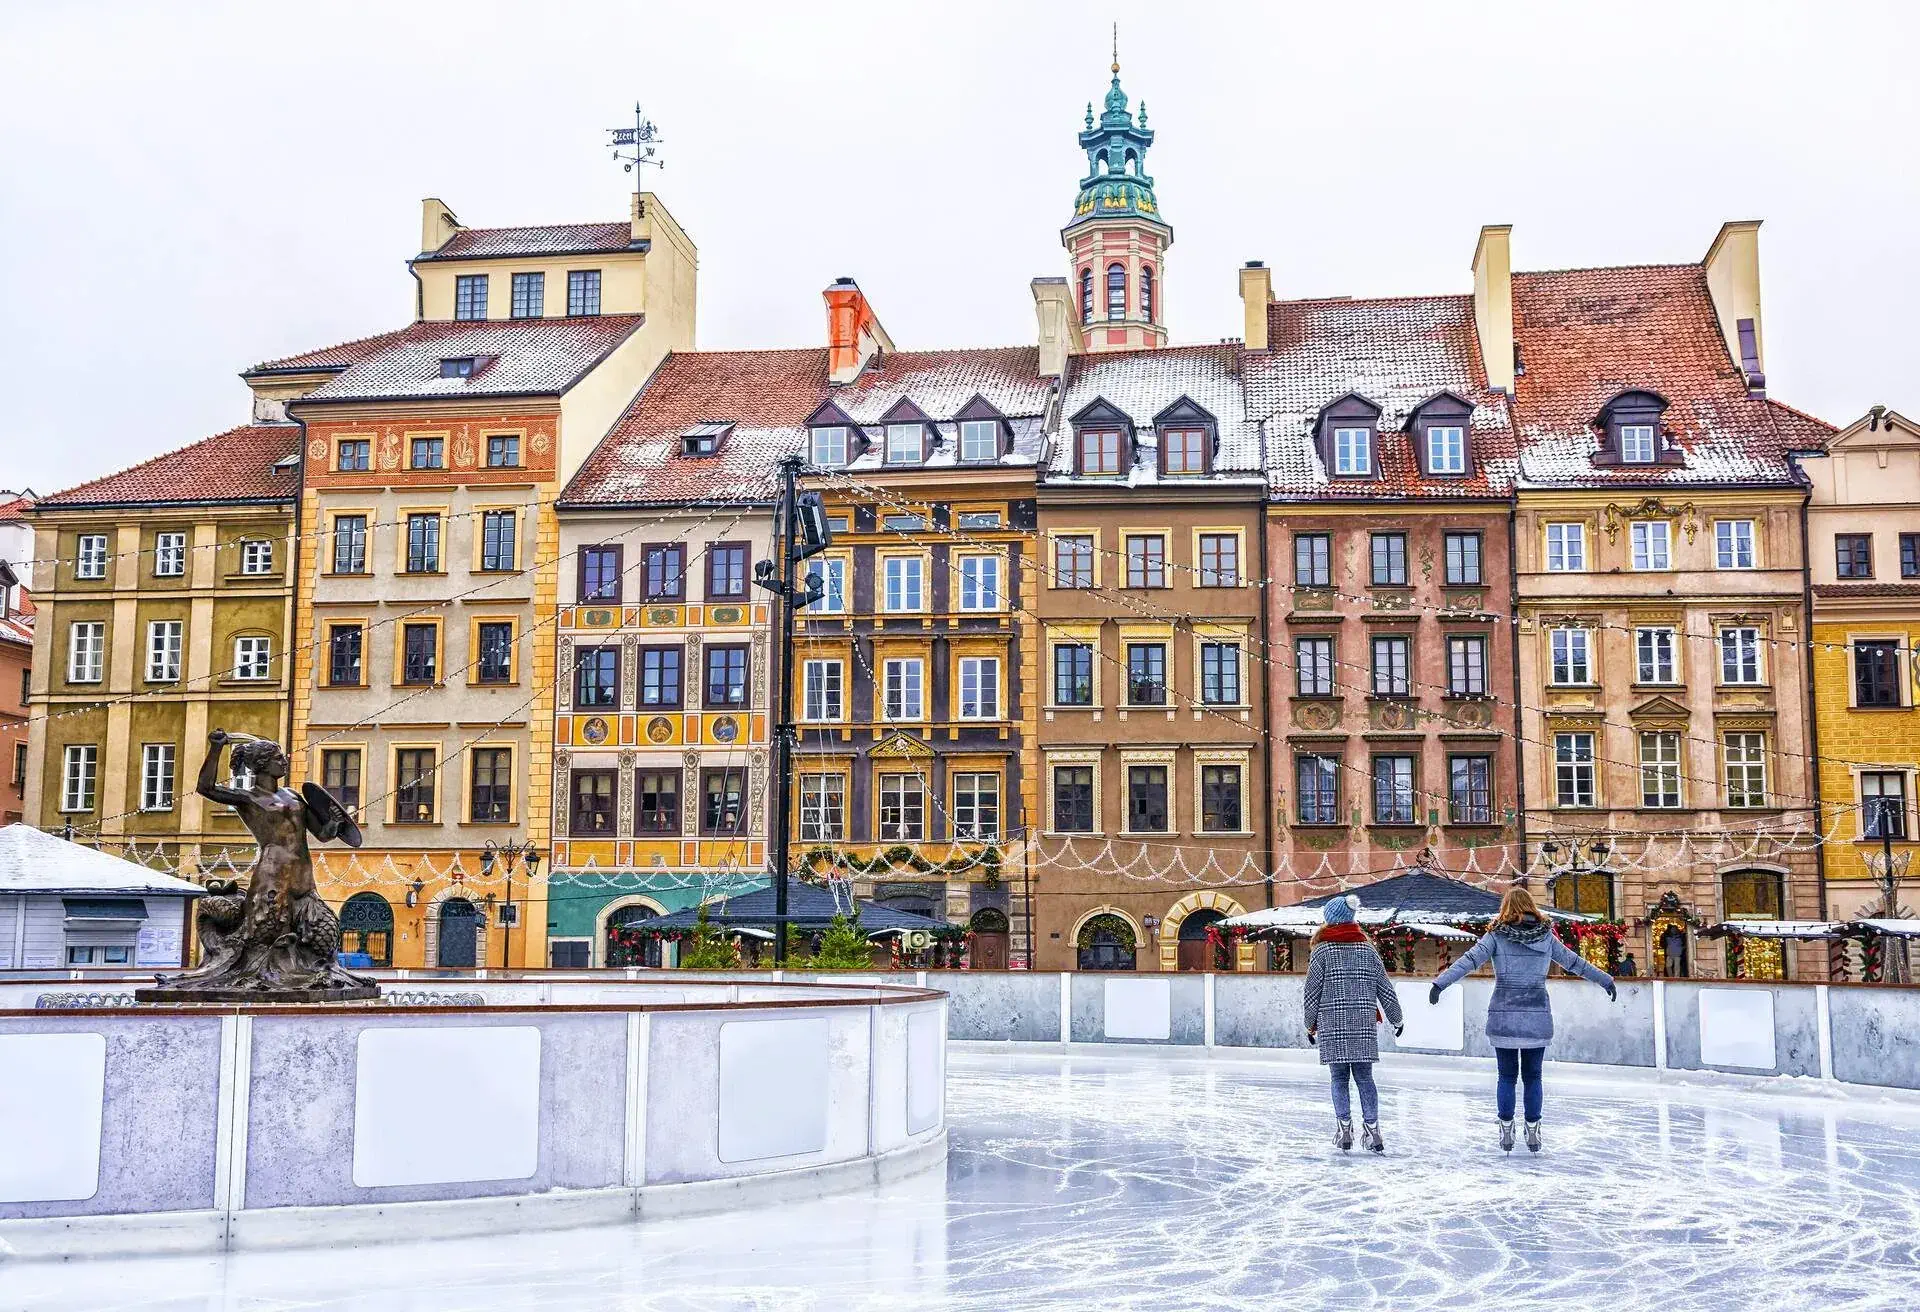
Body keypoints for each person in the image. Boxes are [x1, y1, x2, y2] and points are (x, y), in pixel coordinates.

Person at [1429, 886, 1615, 1154]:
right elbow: (1574, 963)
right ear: (1531, 906)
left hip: (1504, 1014)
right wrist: (1605, 979)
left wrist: (1440, 983)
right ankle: (1533, 1129)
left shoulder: (1496, 935)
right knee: (1533, 1076)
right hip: (1536, 1015)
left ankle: (1506, 1129)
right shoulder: (1546, 936)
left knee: (1506, 1076)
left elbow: (1470, 960)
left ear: (1506, 907)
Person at [1303, 894, 1404, 1153]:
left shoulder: (1322, 950)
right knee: (1365, 1078)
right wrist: (1397, 1018)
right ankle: (1373, 1132)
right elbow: (1384, 987)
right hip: (1362, 1024)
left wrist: (1309, 1023)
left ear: (1330, 919)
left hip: (1332, 1024)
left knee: (1338, 1078)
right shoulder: (1367, 949)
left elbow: (1312, 990)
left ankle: (1344, 1130)